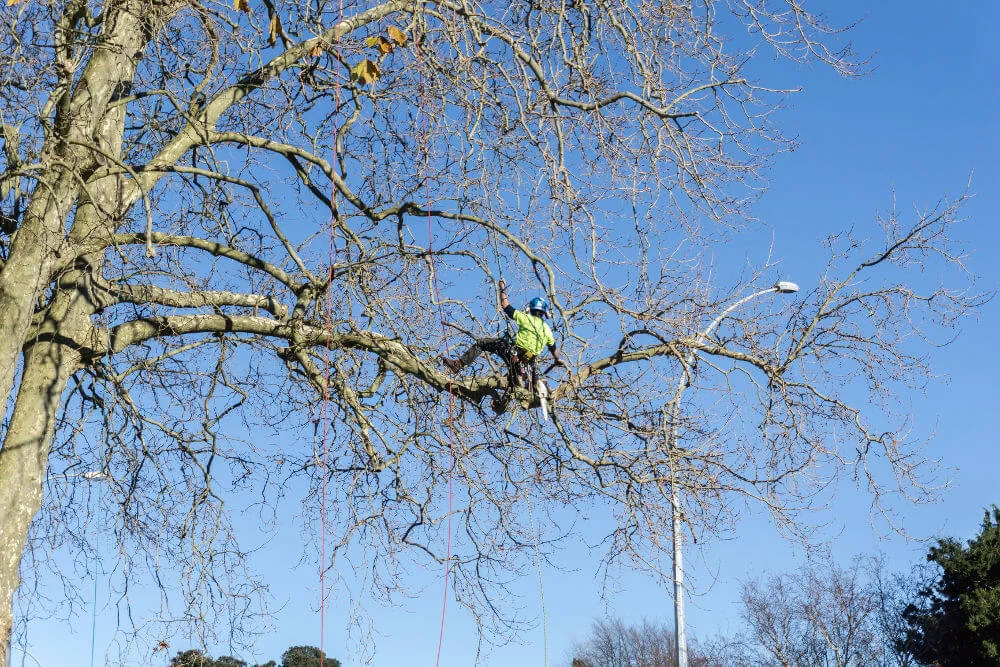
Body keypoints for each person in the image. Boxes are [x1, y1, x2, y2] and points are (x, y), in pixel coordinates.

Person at [442, 279, 564, 375]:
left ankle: (458, 364)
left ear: (531, 309)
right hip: (529, 361)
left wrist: (502, 288)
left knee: (481, 343)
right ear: (543, 313)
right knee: (512, 378)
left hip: (514, 351)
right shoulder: (547, 330)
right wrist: (557, 360)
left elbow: (505, 306)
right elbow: (553, 348)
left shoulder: (526, 318)